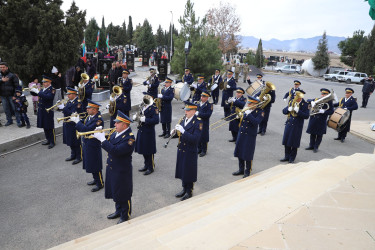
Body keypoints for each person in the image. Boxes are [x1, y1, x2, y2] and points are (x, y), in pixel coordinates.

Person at [92, 111, 135, 224]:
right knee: (116, 190)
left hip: (122, 170)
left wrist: (102, 140)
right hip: (113, 167)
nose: (114, 124)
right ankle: (118, 210)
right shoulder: (116, 133)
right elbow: (111, 140)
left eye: (117, 123)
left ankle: (125, 215)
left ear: (124, 125)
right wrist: (99, 133)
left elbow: (116, 151)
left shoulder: (130, 139)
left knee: (123, 193)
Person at [71, 100, 104, 192]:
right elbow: (84, 123)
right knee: (90, 163)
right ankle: (95, 179)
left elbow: (86, 129)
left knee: (95, 164)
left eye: (89, 108)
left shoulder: (98, 120)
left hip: (93, 145)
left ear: (94, 109)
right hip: (87, 143)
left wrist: (77, 122)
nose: (87, 109)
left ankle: (100, 183)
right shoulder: (89, 117)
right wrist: (77, 118)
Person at [174, 101, 202, 201]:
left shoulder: (198, 122)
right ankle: (184, 188)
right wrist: (174, 133)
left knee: (189, 171)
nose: (186, 112)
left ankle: (189, 191)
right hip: (182, 148)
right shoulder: (183, 119)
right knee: (183, 170)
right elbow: (180, 134)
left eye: (188, 110)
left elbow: (195, 139)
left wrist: (183, 131)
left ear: (194, 111)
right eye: (185, 110)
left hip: (190, 150)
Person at [233, 96, 264, 178]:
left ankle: (247, 170)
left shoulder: (260, 112)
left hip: (250, 135)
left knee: (248, 153)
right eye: (249, 103)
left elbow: (256, 122)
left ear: (255, 104)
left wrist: (249, 114)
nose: (248, 105)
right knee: (240, 152)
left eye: (250, 103)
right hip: (242, 133)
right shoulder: (246, 110)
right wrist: (238, 117)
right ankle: (241, 169)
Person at [133, 93, 159, 176]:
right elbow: (139, 115)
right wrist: (136, 117)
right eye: (145, 97)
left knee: (149, 150)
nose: (145, 99)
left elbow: (156, 120)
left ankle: (151, 167)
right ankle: (146, 165)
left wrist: (145, 119)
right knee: (144, 148)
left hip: (149, 131)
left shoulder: (154, 108)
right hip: (141, 130)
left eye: (148, 97)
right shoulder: (142, 106)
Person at [280, 90, 309, 163]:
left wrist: (298, 111)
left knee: (294, 143)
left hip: (297, 126)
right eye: (295, 95)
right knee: (286, 141)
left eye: (297, 96)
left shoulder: (305, 104)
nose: (295, 97)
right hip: (289, 124)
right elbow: (283, 111)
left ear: (300, 97)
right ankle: (286, 156)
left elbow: (306, 116)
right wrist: (288, 109)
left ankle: (292, 158)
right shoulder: (292, 102)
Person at [305, 88, 334, 152]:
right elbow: (308, 100)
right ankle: (311, 145)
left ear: (327, 95)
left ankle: (316, 147)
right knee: (312, 133)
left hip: (321, 120)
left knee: (319, 135)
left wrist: (323, 111)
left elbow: (331, 111)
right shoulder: (317, 99)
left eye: (324, 94)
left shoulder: (329, 102)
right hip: (314, 118)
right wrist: (312, 102)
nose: (322, 95)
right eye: (322, 94)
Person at [31, 76, 56, 149]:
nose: (44, 83)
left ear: (49, 82)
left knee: (49, 126)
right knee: (44, 125)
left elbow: (48, 97)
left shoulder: (52, 89)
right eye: (43, 82)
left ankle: (52, 141)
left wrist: (38, 92)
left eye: (45, 82)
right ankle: (48, 139)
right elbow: (36, 94)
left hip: (48, 110)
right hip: (41, 109)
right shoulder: (43, 88)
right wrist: (32, 90)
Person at [61, 88, 83, 165]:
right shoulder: (69, 101)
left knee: (76, 141)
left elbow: (73, 113)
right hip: (68, 124)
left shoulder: (78, 102)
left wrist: (63, 108)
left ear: (74, 94)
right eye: (67, 94)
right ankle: (73, 154)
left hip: (74, 124)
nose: (68, 95)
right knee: (70, 140)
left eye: (69, 94)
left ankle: (79, 156)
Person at [0, 62, 19, 126]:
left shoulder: (12, 75)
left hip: (11, 95)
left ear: (7, 67)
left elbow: (17, 86)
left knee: (15, 109)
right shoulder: (0, 76)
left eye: (3, 67)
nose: (2, 68)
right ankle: (9, 120)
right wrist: (1, 80)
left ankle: (19, 121)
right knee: (6, 109)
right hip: (3, 96)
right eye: (1, 67)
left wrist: (15, 95)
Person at [196, 91, 213, 157]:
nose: (201, 98)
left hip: (204, 123)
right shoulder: (198, 104)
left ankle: (204, 150)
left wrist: (199, 114)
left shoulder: (209, 105)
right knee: (198, 135)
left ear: (207, 98)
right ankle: (199, 148)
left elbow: (208, 115)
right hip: (198, 122)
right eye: (201, 96)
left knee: (204, 136)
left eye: (203, 97)